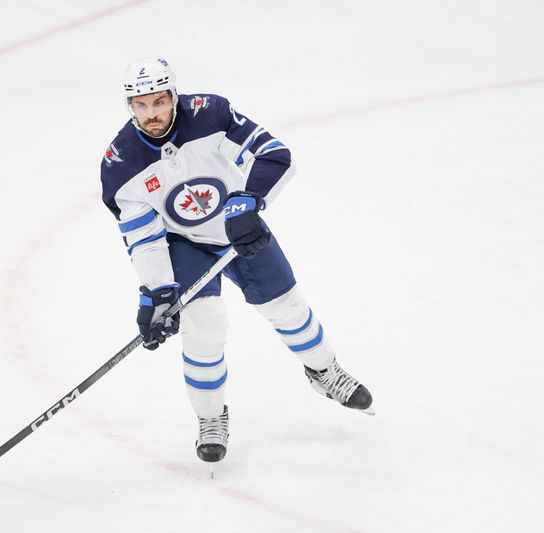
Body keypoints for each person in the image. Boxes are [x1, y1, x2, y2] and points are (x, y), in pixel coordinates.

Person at [100, 57, 373, 464]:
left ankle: (323, 371)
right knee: (203, 328)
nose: (151, 114)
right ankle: (211, 418)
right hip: (184, 244)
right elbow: (144, 239)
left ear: (173, 95)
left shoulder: (210, 114)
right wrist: (156, 292)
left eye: (159, 102)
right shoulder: (121, 164)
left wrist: (247, 202)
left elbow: (274, 155)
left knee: (287, 305)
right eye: (140, 105)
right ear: (130, 106)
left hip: (235, 227)